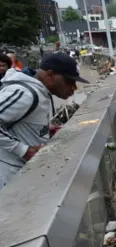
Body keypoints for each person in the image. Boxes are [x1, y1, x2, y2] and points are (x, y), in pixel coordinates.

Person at [0, 53, 89, 188]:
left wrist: (45, 129)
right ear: (50, 75)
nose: (73, 88)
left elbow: (21, 122)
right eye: (69, 82)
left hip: (25, 173)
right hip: (10, 177)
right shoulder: (25, 93)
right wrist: (23, 150)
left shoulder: (41, 91)